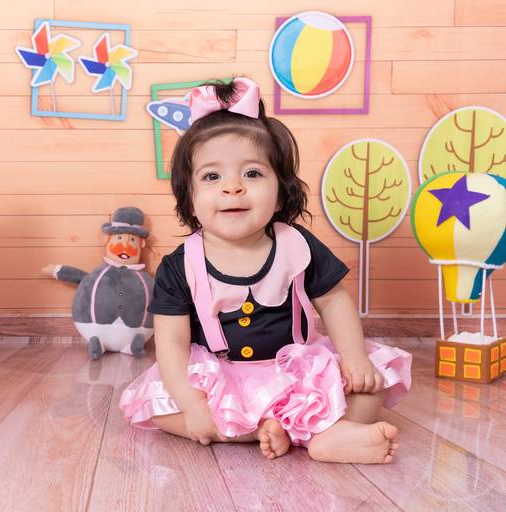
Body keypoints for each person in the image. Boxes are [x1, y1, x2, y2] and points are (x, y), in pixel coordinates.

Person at [119, 77, 412, 464]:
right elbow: (171, 342)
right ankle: (290, 431)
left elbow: (334, 300)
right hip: (221, 377)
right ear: (189, 198)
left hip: (296, 371)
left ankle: (323, 435)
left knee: (372, 383)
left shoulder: (297, 245)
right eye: (212, 177)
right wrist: (192, 405)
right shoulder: (180, 265)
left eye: (252, 174)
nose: (233, 188)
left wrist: (354, 357)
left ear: (280, 194)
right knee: (158, 408)